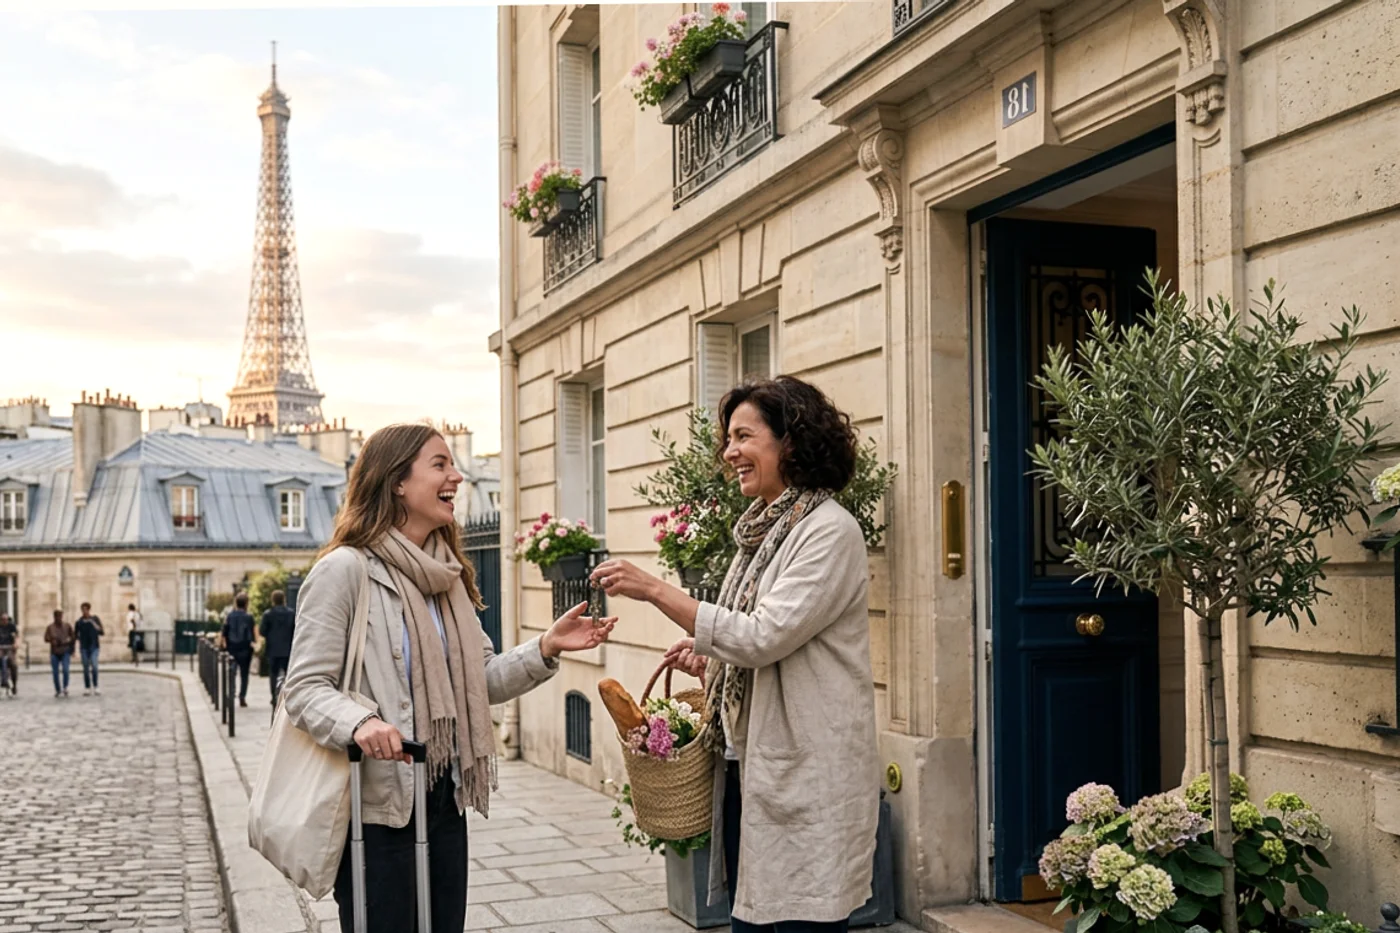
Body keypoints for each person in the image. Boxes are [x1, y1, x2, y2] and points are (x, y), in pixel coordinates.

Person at [282, 423, 616, 933]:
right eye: (439, 465)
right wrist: (360, 723)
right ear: (396, 481)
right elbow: (304, 689)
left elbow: (477, 681)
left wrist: (545, 647)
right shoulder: (345, 572)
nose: (457, 476)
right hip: (378, 805)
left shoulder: (446, 576)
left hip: (443, 792)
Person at [591, 376, 880, 933]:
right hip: (753, 767)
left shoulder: (828, 531)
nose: (730, 453)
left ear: (790, 442)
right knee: (757, 918)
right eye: (728, 439)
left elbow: (764, 636)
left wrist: (655, 589)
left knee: (799, 918)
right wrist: (713, 659)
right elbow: (760, 639)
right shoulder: (763, 531)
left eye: (744, 436)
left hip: (807, 765)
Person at [221, 593, 258, 708]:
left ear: (236, 603)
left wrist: (224, 645)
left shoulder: (229, 616)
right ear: (247, 603)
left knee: (232, 672)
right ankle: (242, 697)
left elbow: (224, 632)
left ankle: (231, 694)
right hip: (245, 648)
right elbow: (253, 633)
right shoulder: (249, 617)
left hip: (232, 648)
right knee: (244, 674)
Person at [260, 589, 296, 706]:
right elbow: (296, 630)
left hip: (273, 649)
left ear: (273, 600)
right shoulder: (291, 613)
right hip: (288, 649)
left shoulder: (268, 614)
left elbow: (262, 631)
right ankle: (289, 696)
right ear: (284, 599)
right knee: (289, 675)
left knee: (273, 674)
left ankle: (274, 696)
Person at [74, 602, 104, 696]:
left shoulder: (95, 619)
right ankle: (87, 687)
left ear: (89, 610)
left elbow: (101, 631)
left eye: (86, 609)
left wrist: (92, 622)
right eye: (83, 610)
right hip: (84, 647)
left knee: (94, 666)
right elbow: (75, 634)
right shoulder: (79, 622)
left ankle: (96, 686)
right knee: (86, 668)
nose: (84, 611)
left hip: (94, 646)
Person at [45, 609, 76, 699]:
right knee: (55, 672)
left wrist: (71, 647)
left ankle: (65, 686)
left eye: (60, 616)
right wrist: (52, 640)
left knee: (66, 670)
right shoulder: (50, 627)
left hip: (65, 650)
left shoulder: (67, 626)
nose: (58, 618)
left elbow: (73, 637)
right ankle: (58, 689)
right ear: (54, 617)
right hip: (54, 652)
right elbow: (46, 638)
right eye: (57, 616)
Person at [0, 612, 17, 698]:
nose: (4, 621)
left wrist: (15, 644)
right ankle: (4, 682)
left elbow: (15, 637)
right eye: (2, 620)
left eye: (5, 619)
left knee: (13, 665)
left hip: (9, 648)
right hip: (1, 649)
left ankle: (14, 684)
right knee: (2, 661)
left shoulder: (11, 626)